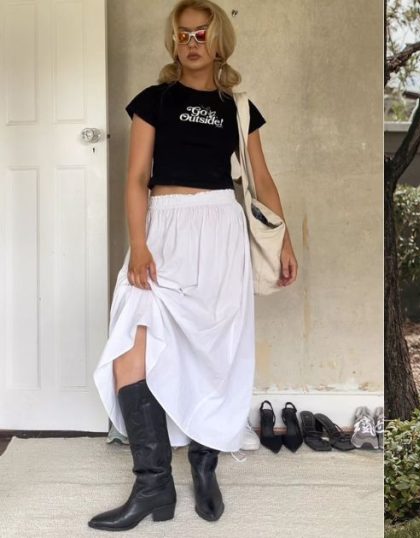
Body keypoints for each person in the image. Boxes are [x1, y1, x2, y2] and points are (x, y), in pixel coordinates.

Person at [89, 0, 298, 531]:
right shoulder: (154, 101)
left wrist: (285, 238)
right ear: (173, 41)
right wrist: (139, 244)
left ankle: (205, 467)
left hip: (219, 231)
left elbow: (262, 177)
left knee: (215, 353)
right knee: (128, 347)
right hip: (163, 230)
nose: (192, 41)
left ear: (219, 41)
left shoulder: (238, 107)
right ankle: (153, 486)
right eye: (184, 34)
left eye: (202, 33)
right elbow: (137, 178)